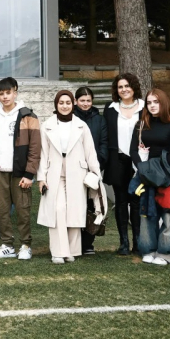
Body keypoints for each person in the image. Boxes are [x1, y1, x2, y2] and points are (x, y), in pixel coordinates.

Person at [131, 89, 170, 265]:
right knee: (147, 213)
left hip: (168, 175)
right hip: (146, 175)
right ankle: (148, 249)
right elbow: (133, 151)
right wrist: (143, 169)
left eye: (156, 102)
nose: (152, 105)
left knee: (169, 214)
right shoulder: (140, 125)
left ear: (164, 103)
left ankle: (166, 253)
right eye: (149, 102)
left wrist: (153, 170)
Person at [37, 91, 102, 264]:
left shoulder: (81, 126)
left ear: (72, 104)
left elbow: (90, 152)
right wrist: (41, 177)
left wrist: (96, 174)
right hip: (54, 172)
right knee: (58, 209)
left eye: (67, 102)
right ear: (56, 104)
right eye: (61, 103)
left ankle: (72, 250)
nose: (64, 106)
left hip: (77, 172)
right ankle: (58, 252)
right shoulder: (47, 125)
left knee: (74, 211)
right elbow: (43, 154)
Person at [0, 77, 41, 260]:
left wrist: (29, 173)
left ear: (15, 92)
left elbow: (35, 147)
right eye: (1, 94)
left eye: (8, 93)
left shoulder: (28, 115)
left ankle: (25, 245)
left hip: (20, 172)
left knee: (23, 209)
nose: (5, 97)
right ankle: (7, 245)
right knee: (2, 210)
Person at [103, 73, 144, 255]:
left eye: (127, 86)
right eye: (120, 87)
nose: (124, 89)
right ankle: (124, 243)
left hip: (139, 161)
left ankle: (138, 242)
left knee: (136, 202)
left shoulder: (144, 107)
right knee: (121, 202)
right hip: (118, 160)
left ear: (133, 87)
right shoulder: (110, 108)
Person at [73, 86, 108, 255]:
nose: (85, 103)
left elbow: (103, 144)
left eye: (88, 100)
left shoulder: (99, 120)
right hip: (74, 169)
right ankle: (74, 241)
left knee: (92, 205)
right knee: (75, 205)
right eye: (82, 100)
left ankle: (88, 242)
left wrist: (96, 164)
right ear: (75, 101)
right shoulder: (70, 118)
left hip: (93, 169)